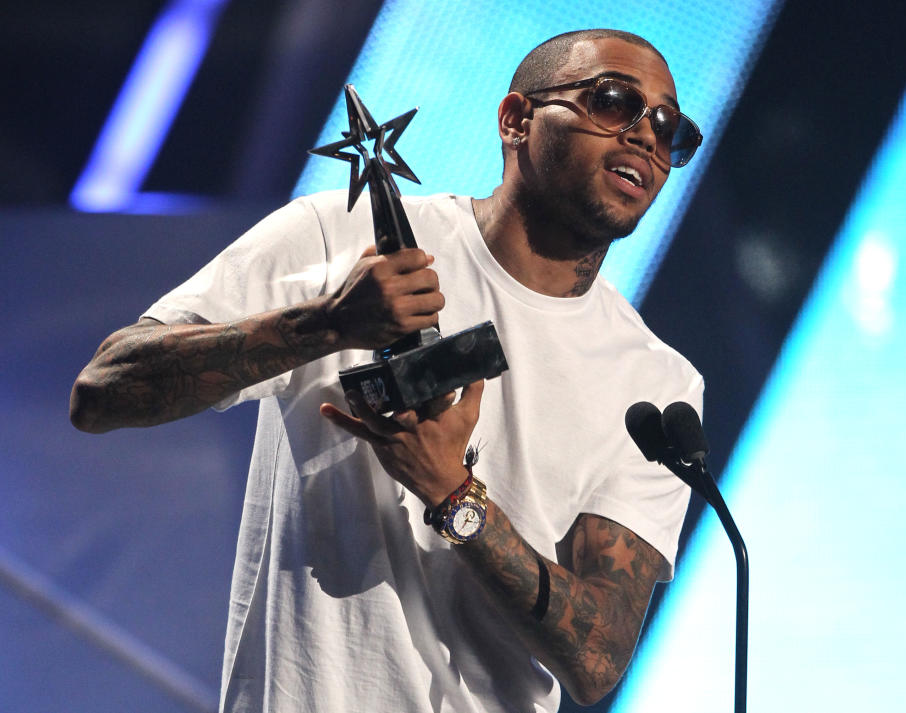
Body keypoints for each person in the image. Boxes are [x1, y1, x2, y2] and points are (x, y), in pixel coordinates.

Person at [71, 28, 705, 713]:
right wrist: (324, 324)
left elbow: (597, 658)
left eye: (670, 128)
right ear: (516, 119)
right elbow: (104, 390)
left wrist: (453, 492)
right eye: (614, 101)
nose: (646, 137)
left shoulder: (657, 385)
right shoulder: (342, 237)